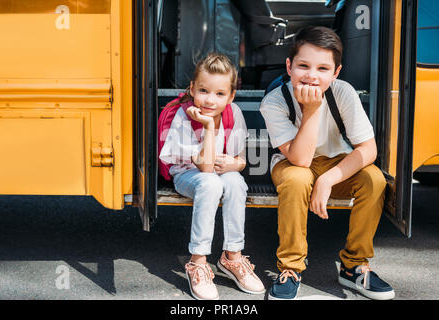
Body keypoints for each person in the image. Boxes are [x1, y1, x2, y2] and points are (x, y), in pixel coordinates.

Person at [259, 26, 395, 300]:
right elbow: (300, 159)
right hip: (291, 163)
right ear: (289, 66)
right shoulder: (274, 101)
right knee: (298, 179)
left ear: (336, 73)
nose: (311, 75)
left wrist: (328, 179)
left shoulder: (343, 92)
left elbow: (368, 149)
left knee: (374, 179)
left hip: (335, 163)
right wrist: (310, 111)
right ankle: (291, 268)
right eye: (303, 65)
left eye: (323, 69)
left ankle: (354, 265)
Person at [159, 52, 265, 300]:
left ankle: (233, 256)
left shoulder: (233, 113)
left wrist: (233, 163)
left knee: (236, 183)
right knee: (209, 184)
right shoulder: (184, 116)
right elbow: (205, 168)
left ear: (231, 96)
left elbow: (241, 161)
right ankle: (198, 262)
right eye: (204, 90)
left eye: (220, 94)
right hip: (187, 174)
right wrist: (207, 126)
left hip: (218, 171)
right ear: (192, 88)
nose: (210, 100)